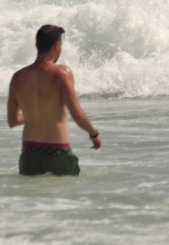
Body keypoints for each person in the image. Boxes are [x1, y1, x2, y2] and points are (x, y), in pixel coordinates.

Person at [7, 25, 102, 176]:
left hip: (29, 153)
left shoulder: (18, 77)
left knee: (31, 198)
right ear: (56, 45)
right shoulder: (62, 73)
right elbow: (77, 114)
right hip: (58, 152)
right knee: (67, 197)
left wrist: (34, 115)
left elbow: (12, 121)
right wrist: (94, 134)